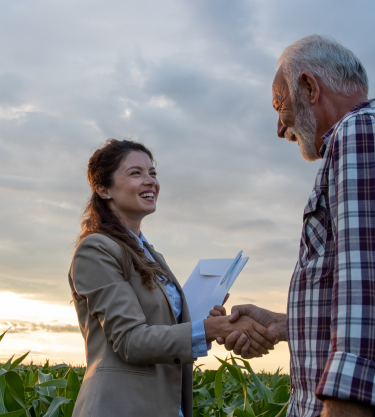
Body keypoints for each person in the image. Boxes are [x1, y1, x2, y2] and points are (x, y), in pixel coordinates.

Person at [212, 35, 375, 416]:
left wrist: (345, 406)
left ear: (309, 87)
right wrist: (282, 325)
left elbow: (374, 289)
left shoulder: (361, 133)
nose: (280, 128)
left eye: (280, 106)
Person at [68, 139, 279, 417]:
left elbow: (166, 329)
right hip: (120, 406)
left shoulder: (153, 255)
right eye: (135, 173)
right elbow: (131, 341)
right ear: (103, 188)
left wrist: (210, 320)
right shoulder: (96, 249)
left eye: (152, 173)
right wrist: (211, 329)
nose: (150, 181)